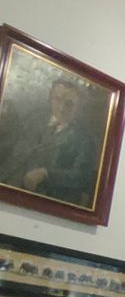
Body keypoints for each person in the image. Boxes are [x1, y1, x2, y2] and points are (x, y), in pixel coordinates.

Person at [0, 78, 99, 206]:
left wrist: (46, 173)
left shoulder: (84, 139)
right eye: (57, 99)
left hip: (41, 199)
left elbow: (81, 176)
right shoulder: (33, 119)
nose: (62, 108)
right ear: (50, 98)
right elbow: (10, 145)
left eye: (69, 104)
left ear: (78, 107)